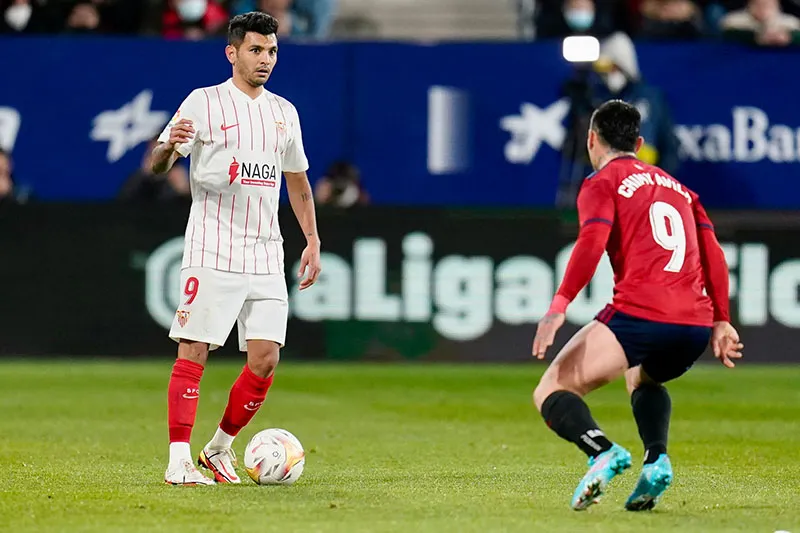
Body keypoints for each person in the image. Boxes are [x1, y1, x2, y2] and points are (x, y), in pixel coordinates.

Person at [531, 100, 743, 511]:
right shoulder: (681, 189)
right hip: (693, 327)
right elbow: (712, 252)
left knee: (552, 388)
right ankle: (655, 459)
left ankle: (602, 452)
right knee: (642, 378)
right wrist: (722, 319)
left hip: (641, 313)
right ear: (640, 143)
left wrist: (559, 305)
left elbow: (591, 241)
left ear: (592, 140)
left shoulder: (601, 181)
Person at [151, 11, 322, 486]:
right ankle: (178, 460)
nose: (265, 59)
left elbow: (298, 180)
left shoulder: (284, 112)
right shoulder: (203, 103)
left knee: (265, 358)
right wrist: (169, 149)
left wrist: (311, 238)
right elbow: (158, 164)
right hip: (213, 248)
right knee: (195, 349)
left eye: (271, 51)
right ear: (232, 53)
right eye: (255, 50)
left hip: (266, 252)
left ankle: (218, 449)